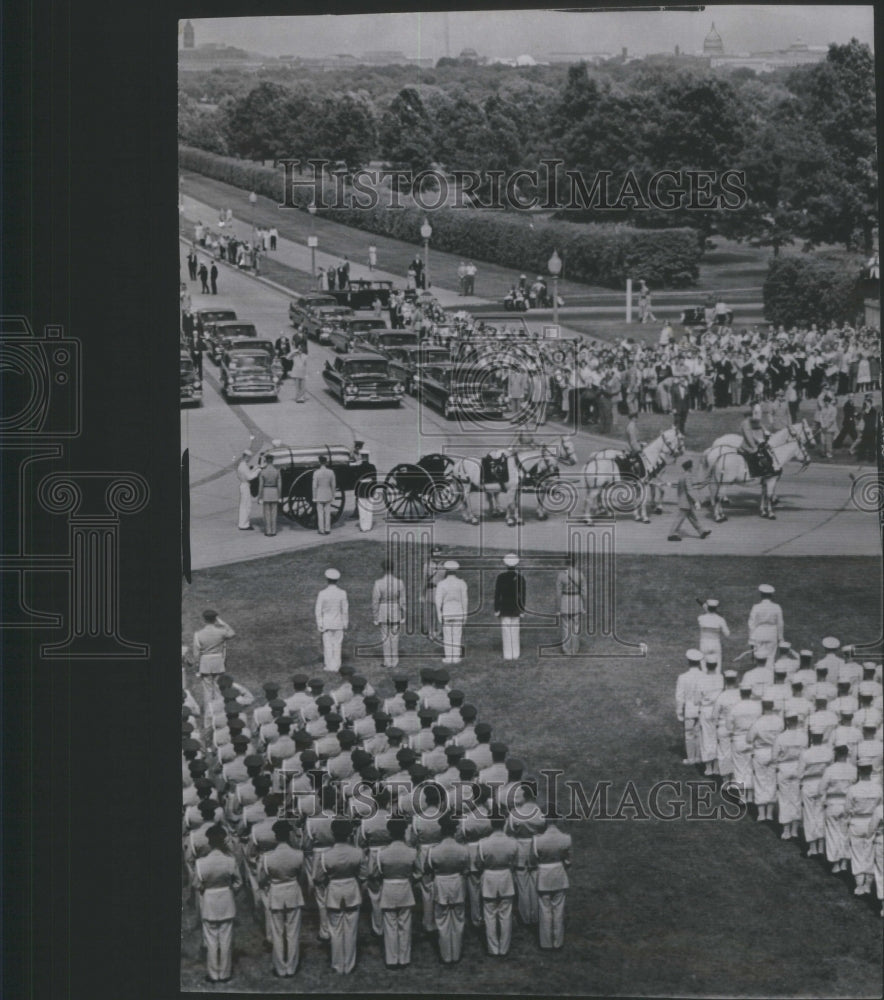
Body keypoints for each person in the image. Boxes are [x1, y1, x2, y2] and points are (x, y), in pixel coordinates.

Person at [313, 818, 365, 974]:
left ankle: (337, 964)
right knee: (351, 929)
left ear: (333, 834)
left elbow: (318, 878)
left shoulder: (326, 855)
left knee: (335, 930)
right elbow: (363, 875)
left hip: (334, 890)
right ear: (349, 834)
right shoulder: (357, 852)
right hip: (351, 890)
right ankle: (348, 965)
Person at [192, 824, 242, 983]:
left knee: (212, 939)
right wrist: (229, 891)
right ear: (223, 841)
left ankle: (214, 974)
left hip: (209, 902)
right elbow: (239, 882)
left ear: (209, 841)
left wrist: (206, 891)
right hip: (226, 900)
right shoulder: (230, 861)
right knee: (226, 938)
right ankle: (225, 973)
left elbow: (196, 884)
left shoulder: (201, 863)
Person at [257, 819, 304, 978]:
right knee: (292, 932)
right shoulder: (298, 855)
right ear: (289, 835)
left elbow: (261, 880)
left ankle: (280, 967)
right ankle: (291, 967)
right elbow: (301, 877)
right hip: (293, 893)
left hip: (276, 893)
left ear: (276, 836)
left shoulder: (268, 857)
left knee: (277, 932)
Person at [372, 816, 421, 968]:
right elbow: (418, 872)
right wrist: (409, 879)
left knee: (390, 925)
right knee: (405, 924)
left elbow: (375, 873)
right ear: (404, 831)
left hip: (388, 888)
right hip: (405, 888)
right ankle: (404, 958)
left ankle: (392, 959)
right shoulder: (412, 852)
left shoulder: (382, 853)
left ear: (389, 833)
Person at [424, 812, 471, 963]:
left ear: (441, 830)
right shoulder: (463, 849)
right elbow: (466, 869)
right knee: (458, 919)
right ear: (455, 829)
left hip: (441, 884)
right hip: (457, 883)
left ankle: (446, 956)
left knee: (442, 920)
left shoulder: (434, 850)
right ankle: (455, 955)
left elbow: (428, 869)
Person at [475, 812, 518, 956]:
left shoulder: (483, 843)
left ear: (491, 824)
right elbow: (516, 862)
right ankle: (504, 948)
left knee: (490, 915)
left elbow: (478, 863)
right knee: (506, 914)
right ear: (504, 823)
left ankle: (493, 948)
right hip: (505, 877)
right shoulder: (512, 842)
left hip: (489, 879)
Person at [527, 819, 571, 950]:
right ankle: (558, 942)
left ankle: (546, 943)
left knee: (544, 909)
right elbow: (568, 860)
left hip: (544, 876)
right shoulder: (566, 838)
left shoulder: (537, 840)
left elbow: (532, 860)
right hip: (559, 874)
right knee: (558, 909)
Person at [193, 610, 235, 721]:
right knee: (217, 689)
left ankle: (208, 714)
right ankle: (218, 712)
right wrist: (222, 623)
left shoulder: (198, 634)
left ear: (204, 619)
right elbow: (232, 633)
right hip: (218, 661)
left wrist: (197, 666)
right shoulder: (221, 632)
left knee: (207, 690)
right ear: (215, 619)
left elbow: (196, 653)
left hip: (205, 662)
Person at [372, 559, 406, 668]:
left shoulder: (378, 583)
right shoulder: (399, 582)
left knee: (385, 637)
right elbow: (402, 600)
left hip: (383, 610)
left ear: (383, 569)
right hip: (395, 609)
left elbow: (375, 601)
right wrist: (404, 614)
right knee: (394, 636)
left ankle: (388, 661)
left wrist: (375, 616)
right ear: (393, 569)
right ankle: (394, 661)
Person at [668, 460, 710, 542]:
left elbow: (687, 487)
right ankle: (671, 534)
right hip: (685, 502)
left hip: (684, 501)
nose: (693, 468)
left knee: (692, 518)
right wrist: (696, 501)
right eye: (692, 467)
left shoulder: (683, 475)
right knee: (680, 518)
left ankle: (701, 532)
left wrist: (704, 483)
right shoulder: (688, 476)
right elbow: (689, 489)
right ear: (690, 468)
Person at [494, 553, 526, 662]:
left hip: (504, 608)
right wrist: (522, 609)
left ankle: (507, 654)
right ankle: (515, 653)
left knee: (506, 631)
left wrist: (496, 609)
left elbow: (497, 594)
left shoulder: (501, 577)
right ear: (516, 565)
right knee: (515, 631)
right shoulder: (520, 578)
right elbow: (523, 596)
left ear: (505, 565)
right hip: (516, 608)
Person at [435, 561, 468, 664]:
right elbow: (465, 600)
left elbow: (438, 600)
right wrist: (465, 614)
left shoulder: (442, 584)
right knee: (457, 635)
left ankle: (449, 657)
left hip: (447, 611)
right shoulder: (461, 583)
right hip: (458, 611)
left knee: (447, 635)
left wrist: (439, 613)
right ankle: (456, 657)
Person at [675, 649, 704, 765]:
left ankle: (691, 758)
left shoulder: (683, 677)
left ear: (688, 661)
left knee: (689, 734)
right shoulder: (704, 676)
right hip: (701, 707)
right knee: (699, 732)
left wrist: (679, 711)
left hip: (690, 708)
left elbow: (679, 696)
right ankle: (698, 756)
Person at [315, 568, 348, 672]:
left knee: (328, 645)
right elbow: (345, 610)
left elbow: (318, 610)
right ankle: (337, 666)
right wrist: (345, 623)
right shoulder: (342, 593)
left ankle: (329, 666)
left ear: (327, 579)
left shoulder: (322, 593)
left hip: (327, 623)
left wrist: (320, 623)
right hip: (338, 623)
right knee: (337, 644)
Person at [556, 554, 586, 655]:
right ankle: (575, 649)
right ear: (575, 562)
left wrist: (558, 607)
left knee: (565, 627)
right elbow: (584, 592)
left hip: (565, 601)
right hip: (577, 601)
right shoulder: (580, 574)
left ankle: (566, 649)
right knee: (576, 626)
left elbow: (558, 593)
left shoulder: (561, 575)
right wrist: (584, 605)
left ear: (566, 562)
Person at [748, 584, 783, 668]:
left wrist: (751, 639)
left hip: (759, 632)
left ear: (761, 595)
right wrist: (780, 638)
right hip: (772, 632)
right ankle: (769, 677)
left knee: (759, 656)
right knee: (770, 657)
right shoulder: (776, 607)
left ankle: (759, 676)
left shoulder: (756, 607)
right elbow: (780, 623)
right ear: (771, 595)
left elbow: (751, 623)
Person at [739, 406, 773, 477]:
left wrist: (766, 433)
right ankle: (755, 472)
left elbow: (761, 428)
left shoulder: (751, 422)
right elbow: (748, 436)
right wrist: (754, 446)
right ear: (749, 416)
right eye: (753, 415)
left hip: (753, 443)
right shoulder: (746, 423)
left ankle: (765, 469)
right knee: (756, 454)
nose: (754, 417)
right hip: (747, 445)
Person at [697, 599, 729, 667]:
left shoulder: (701, 618)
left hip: (704, 644)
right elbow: (727, 634)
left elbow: (707, 614)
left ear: (707, 607)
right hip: (715, 644)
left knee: (704, 666)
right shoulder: (720, 619)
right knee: (717, 666)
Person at [312, 454, 337, 536]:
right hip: (328, 494)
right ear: (326, 462)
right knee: (327, 513)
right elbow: (333, 485)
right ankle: (327, 529)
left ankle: (321, 530)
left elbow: (314, 486)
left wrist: (314, 497)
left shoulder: (316, 473)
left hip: (319, 494)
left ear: (319, 462)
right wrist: (333, 495)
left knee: (320, 513)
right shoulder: (331, 472)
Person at [235, 448, 259, 530]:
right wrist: (257, 471)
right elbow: (250, 477)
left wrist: (254, 469)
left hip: (243, 484)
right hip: (246, 486)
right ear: (246, 457)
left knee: (244, 505)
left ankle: (243, 523)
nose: (249, 459)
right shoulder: (244, 466)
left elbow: (244, 475)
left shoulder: (241, 465)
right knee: (246, 506)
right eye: (249, 457)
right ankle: (244, 525)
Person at [258, 454, 281, 537]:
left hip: (266, 492)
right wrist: (279, 496)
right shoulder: (277, 471)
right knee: (274, 513)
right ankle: (274, 531)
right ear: (273, 460)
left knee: (267, 513)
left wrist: (259, 497)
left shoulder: (263, 472)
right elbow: (279, 485)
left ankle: (268, 531)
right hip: (274, 492)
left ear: (266, 461)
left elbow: (260, 486)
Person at [852, 394, 879, 463]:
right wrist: (856, 415)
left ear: (870, 403)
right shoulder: (865, 410)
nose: (866, 404)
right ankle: (861, 457)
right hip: (866, 429)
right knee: (863, 444)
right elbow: (861, 417)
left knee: (871, 445)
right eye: (866, 403)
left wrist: (865, 413)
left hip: (871, 429)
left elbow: (871, 419)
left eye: (867, 403)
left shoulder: (873, 410)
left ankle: (871, 458)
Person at [814, 390, 837, 459]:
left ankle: (829, 453)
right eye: (825, 401)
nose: (826, 403)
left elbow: (832, 419)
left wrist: (826, 426)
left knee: (829, 441)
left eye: (827, 401)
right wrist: (822, 425)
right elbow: (821, 416)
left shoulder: (833, 409)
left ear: (829, 402)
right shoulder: (823, 408)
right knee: (822, 440)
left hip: (830, 428)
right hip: (823, 427)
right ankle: (823, 452)